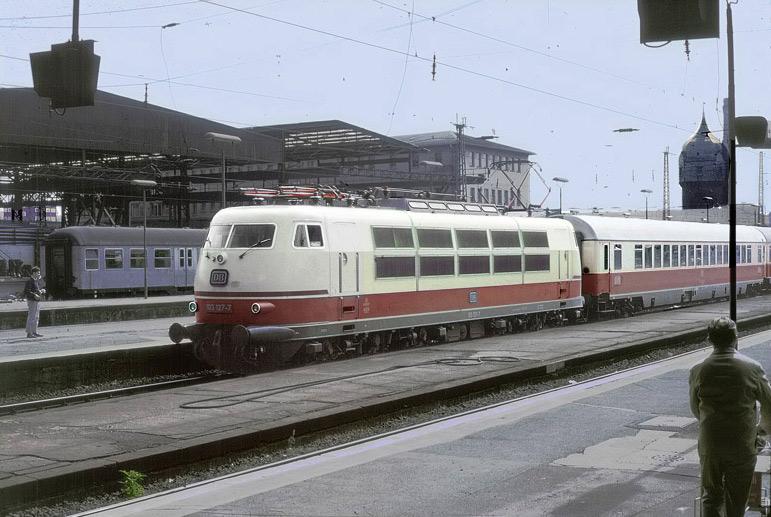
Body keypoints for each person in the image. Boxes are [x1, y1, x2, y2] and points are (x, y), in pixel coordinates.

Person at [689, 316, 771, 517]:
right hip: (741, 443)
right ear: (736, 337)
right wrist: (761, 430)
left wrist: (709, 424)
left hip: (711, 443)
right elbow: (769, 403)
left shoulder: (698, 369)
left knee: (710, 496)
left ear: (710, 339)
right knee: (736, 498)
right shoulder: (752, 367)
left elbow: (695, 407)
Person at [24, 266, 45, 338]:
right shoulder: (30, 281)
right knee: (31, 316)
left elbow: (36, 290)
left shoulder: (35, 281)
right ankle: (29, 333)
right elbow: (27, 291)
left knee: (36, 317)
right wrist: (34, 295)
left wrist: (40, 291)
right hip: (32, 301)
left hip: (36, 301)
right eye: (38, 273)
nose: (39, 274)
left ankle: (34, 331)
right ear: (34, 273)